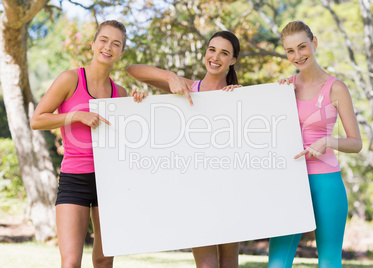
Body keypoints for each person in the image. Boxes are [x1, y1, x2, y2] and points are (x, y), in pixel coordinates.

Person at [30, 20, 142, 268]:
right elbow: (37, 120)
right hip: (75, 178)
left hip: (110, 182)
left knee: (104, 260)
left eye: (116, 44)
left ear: (121, 52)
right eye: (103, 40)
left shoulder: (120, 93)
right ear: (93, 44)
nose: (108, 47)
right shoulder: (70, 79)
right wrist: (75, 115)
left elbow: (130, 138)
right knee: (70, 262)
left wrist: (138, 104)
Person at [126, 31, 241, 268]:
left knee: (229, 264)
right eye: (212, 49)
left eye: (224, 53)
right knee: (206, 265)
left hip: (229, 187)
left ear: (233, 61)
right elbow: (132, 69)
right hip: (195, 190)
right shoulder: (188, 88)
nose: (216, 57)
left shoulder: (239, 95)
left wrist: (240, 100)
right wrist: (171, 77)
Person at [268, 21, 362, 268]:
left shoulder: (336, 88)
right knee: (277, 263)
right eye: (290, 51)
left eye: (302, 47)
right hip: (290, 181)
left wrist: (328, 141)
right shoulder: (284, 87)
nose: (297, 55)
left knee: (329, 262)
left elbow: (356, 143)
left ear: (314, 43)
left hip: (326, 182)